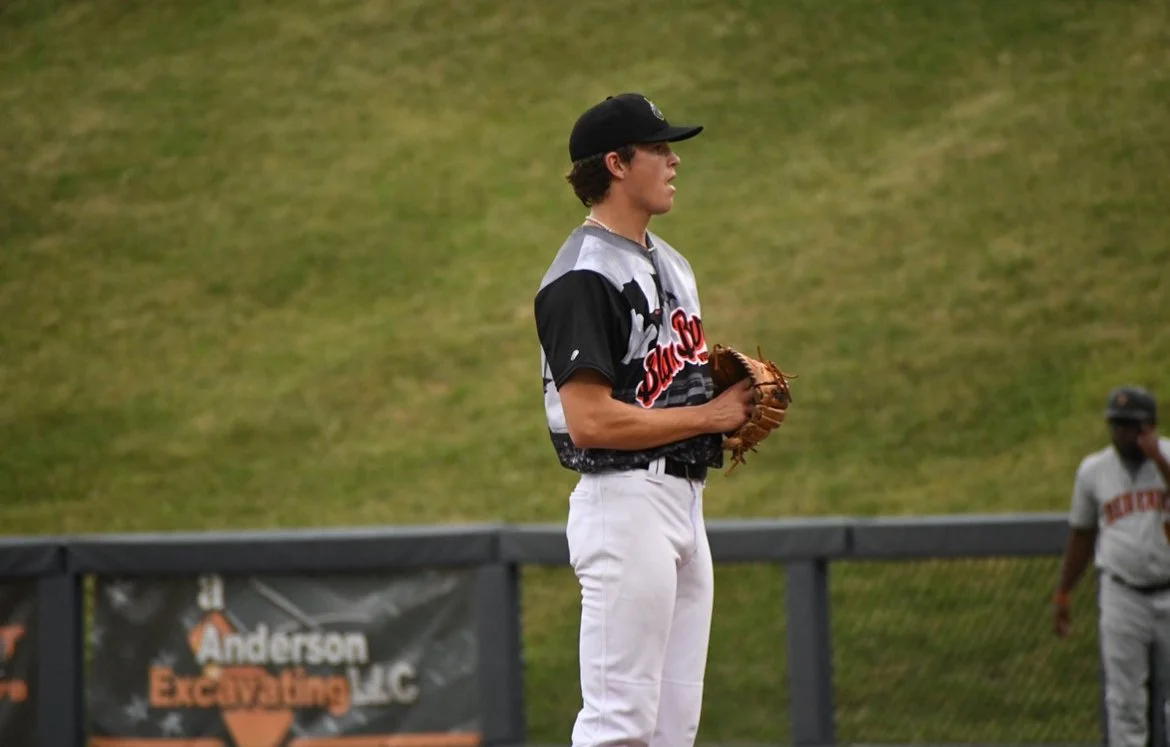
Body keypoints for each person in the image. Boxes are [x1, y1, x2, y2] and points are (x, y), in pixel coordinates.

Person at [532, 93, 763, 747]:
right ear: (615, 163)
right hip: (624, 501)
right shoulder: (583, 274)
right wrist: (708, 413)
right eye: (658, 148)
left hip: (685, 501)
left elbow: (666, 384)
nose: (673, 160)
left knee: (671, 728)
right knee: (618, 724)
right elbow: (590, 421)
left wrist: (726, 397)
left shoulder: (674, 264)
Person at [1053, 385, 1170, 746]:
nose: (1123, 434)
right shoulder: (1094, 470)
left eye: (1131, 427)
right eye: (1116, 426)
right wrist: (1063, 593)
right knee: (1124, 702)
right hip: (1122, 594)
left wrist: (1160, 462)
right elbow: (1082, 534)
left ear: (1149, 427)